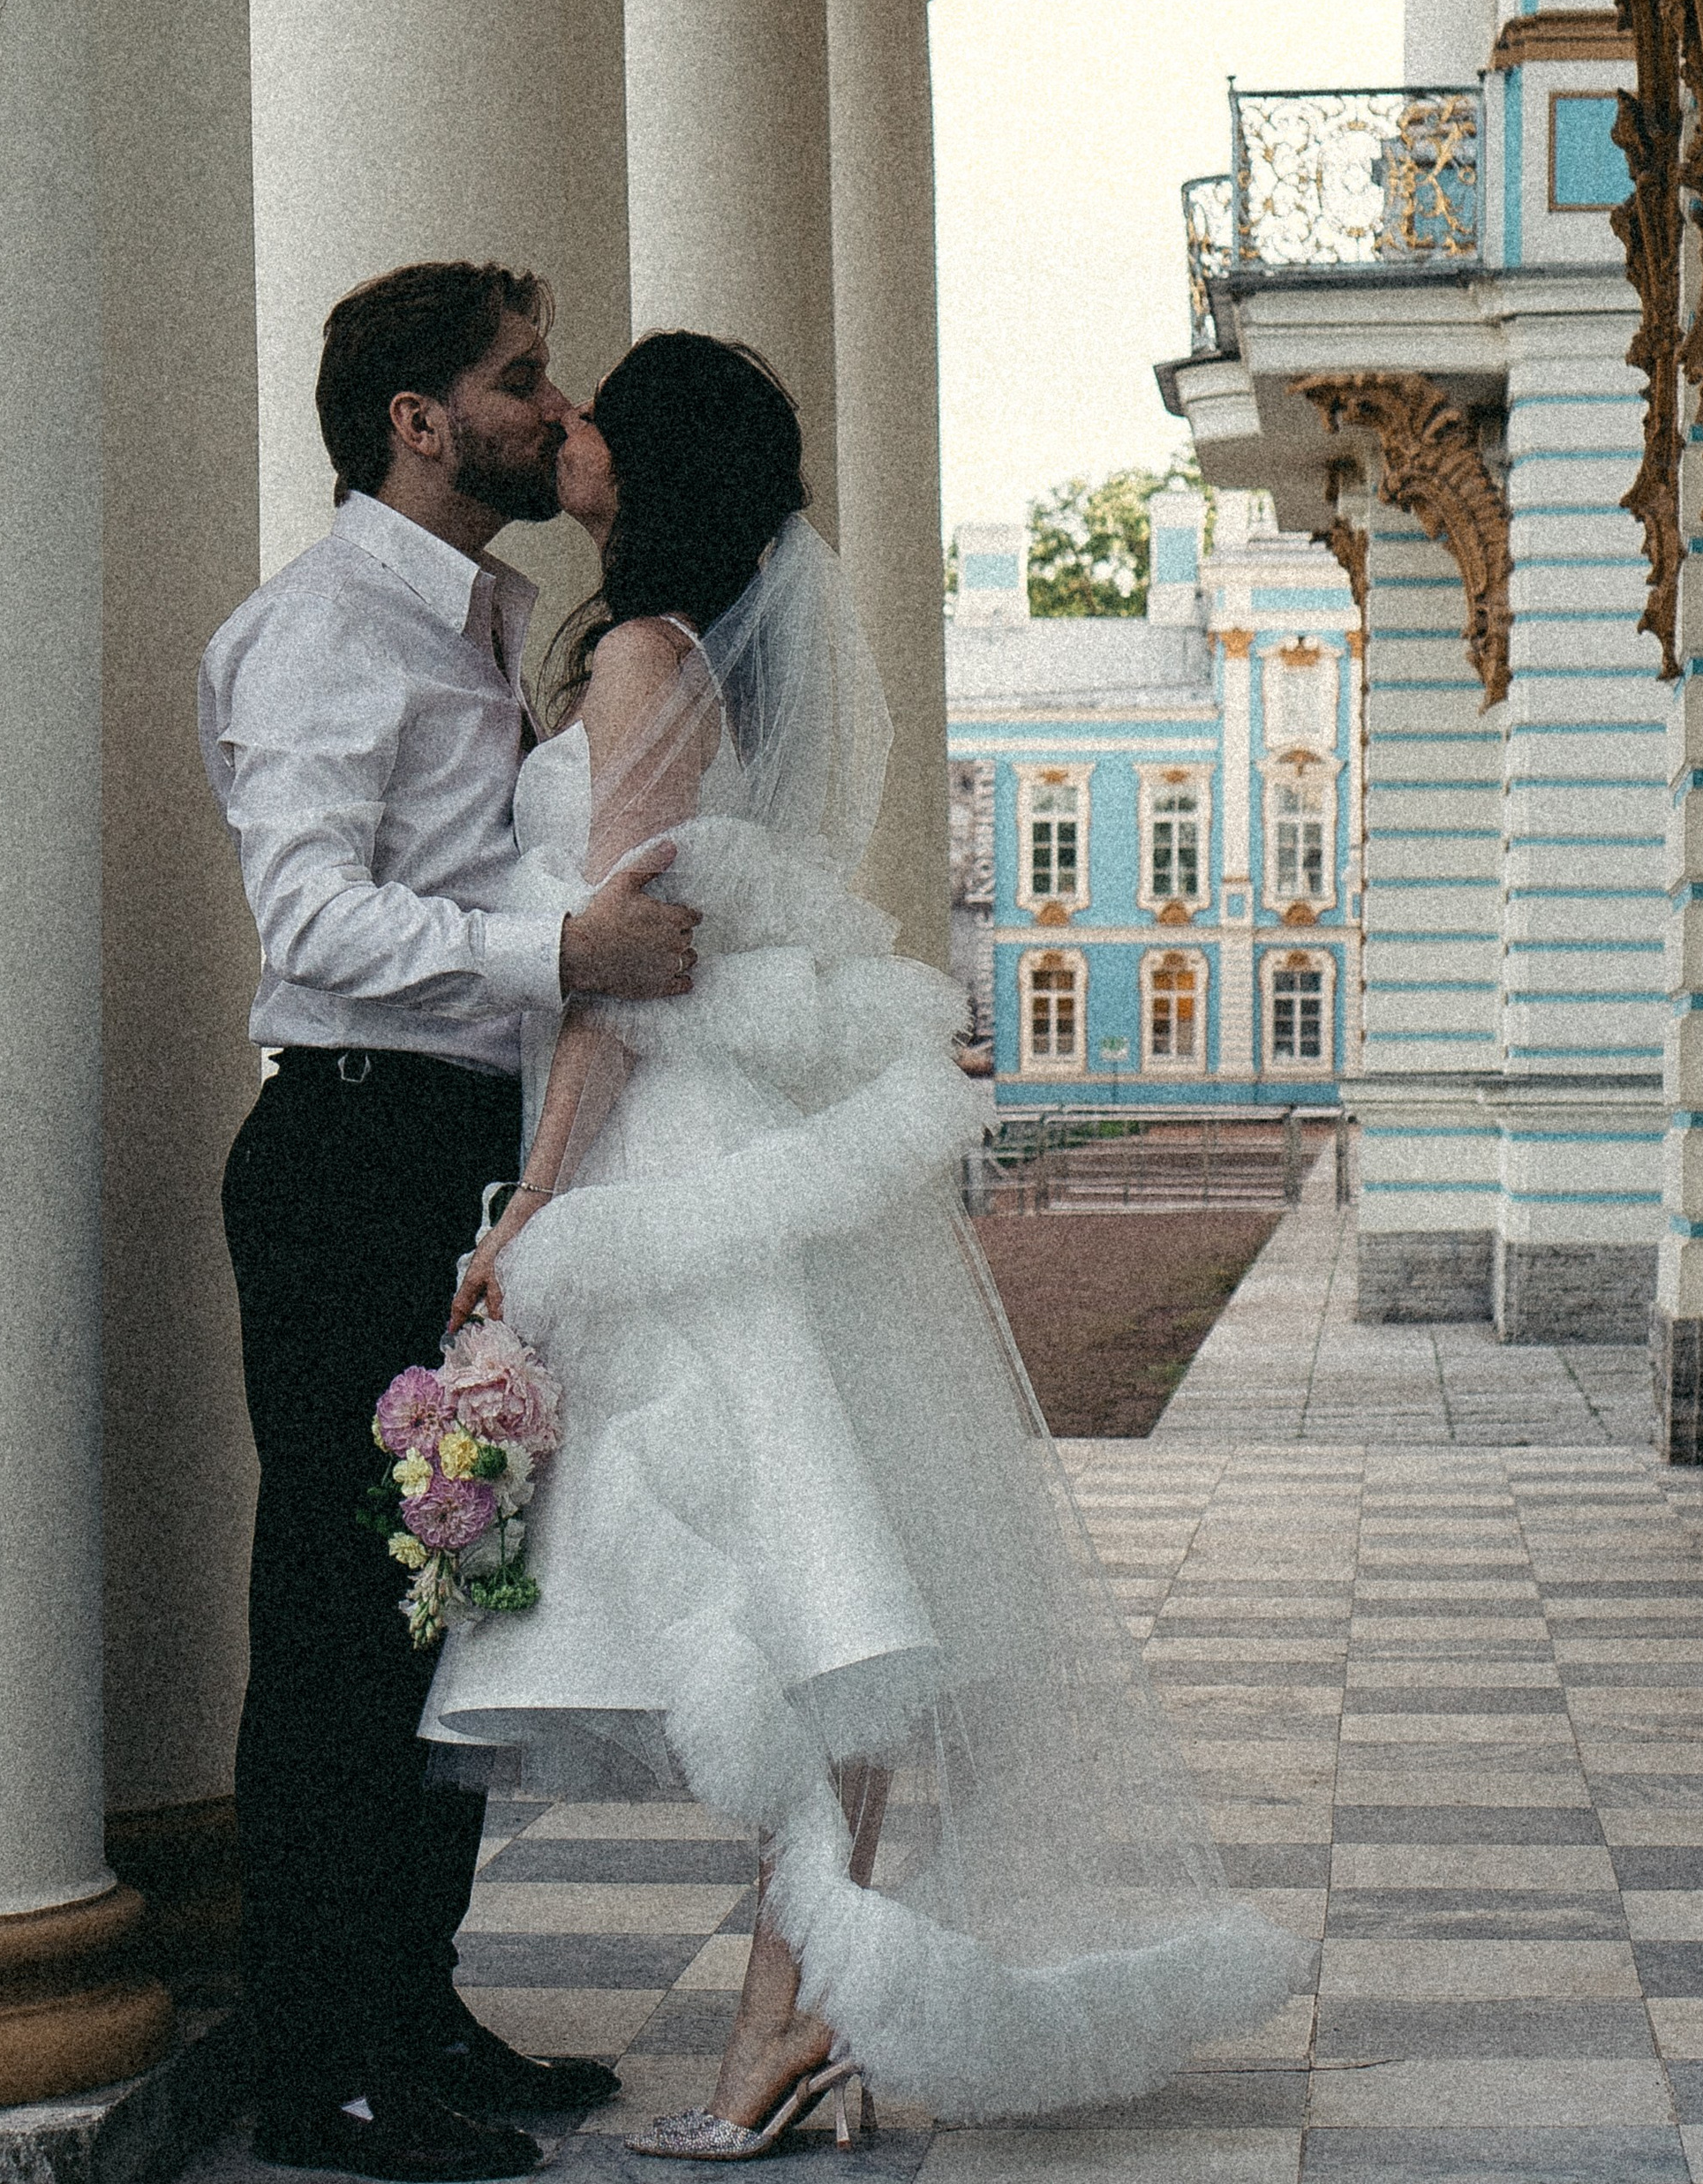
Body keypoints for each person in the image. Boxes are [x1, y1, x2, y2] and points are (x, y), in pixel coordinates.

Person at [424, 332, 1307, 2153]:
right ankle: (800, 2012)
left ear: (646, 465)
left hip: (676, 1153)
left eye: (592, 415)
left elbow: (627, 965)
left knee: (814, 1592)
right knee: (824, 1591)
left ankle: (791, 2019)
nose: (564, 428)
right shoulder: (679, 654)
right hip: (728, 1140)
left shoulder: (646, 655)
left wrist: (539, 1203)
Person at [201, 262, 701, 2184]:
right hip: (349, 1155)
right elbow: (309, 919)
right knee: (343, 1621)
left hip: (453, 1157)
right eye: (518, 379)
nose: (551, 407)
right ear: (415, 423)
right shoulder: (324, 630)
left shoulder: (471, 618)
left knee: (444, 1595)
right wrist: (561, 950)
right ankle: (317, 2068)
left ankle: (409, 2010)